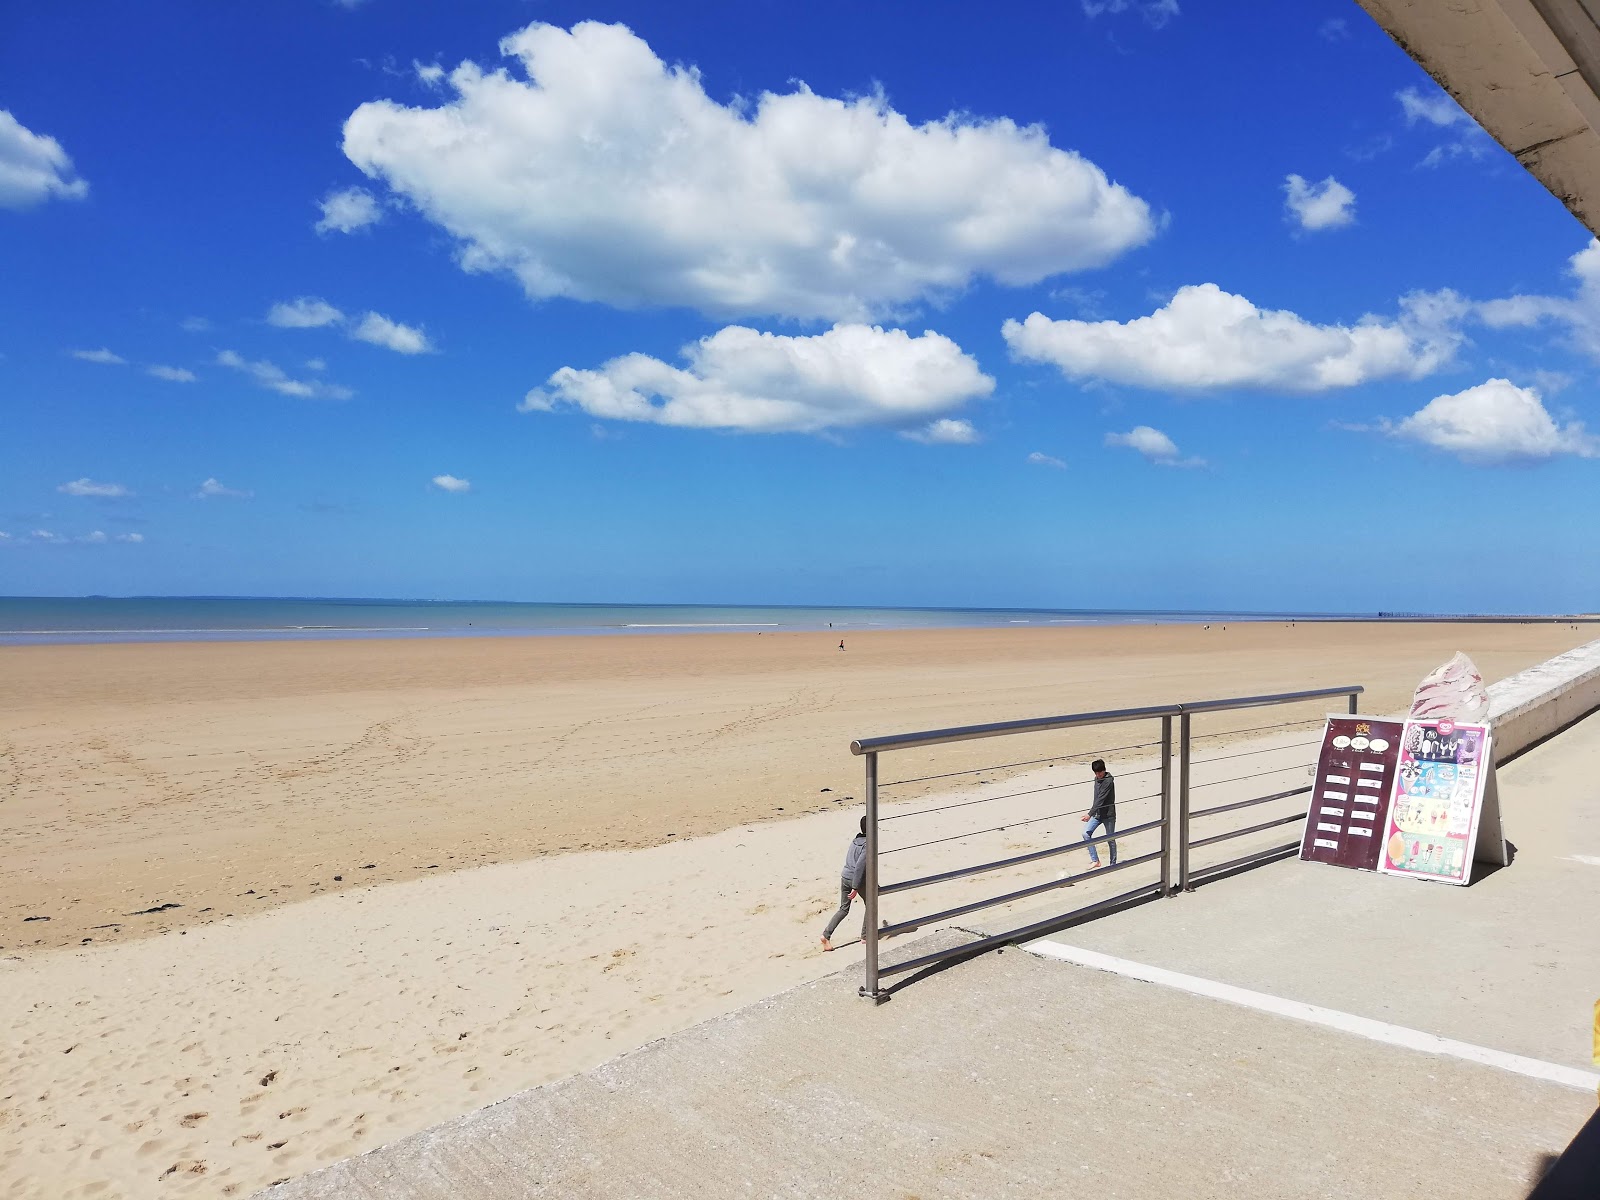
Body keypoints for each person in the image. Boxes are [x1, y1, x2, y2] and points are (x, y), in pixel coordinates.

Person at [820, 816, 868, 951]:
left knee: (843, 909)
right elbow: (860, 867)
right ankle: (865, 936)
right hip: (855, 880)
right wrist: (855, 887)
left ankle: (826, 935)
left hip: (845, 876)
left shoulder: (855, 840)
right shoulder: (867, 844)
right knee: (871, 905)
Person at [1081, 758, 1116, 868]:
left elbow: (1101, 799)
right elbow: (1096, 799)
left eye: (1100, 772)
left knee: (1110, 839)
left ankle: (1113, 864)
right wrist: (1093, 813)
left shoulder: (1108, 781)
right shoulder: (1096, 779)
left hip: (1108, 815)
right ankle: (1095, 860)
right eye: (1096, 772)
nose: (1098, 774)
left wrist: (1089, 814)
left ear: (1104, 770)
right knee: (1086, 833)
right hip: (1098, 814)